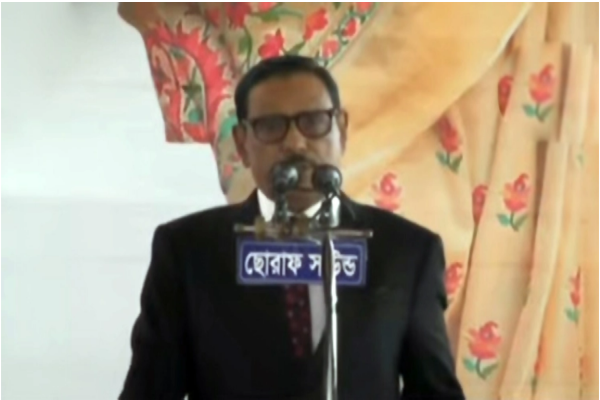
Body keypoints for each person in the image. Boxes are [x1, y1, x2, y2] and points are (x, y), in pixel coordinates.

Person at [119, 55, 466, 400]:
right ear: (242, 144)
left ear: (342, 130)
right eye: (271, 126)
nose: (296, 143)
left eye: (313, 122)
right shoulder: (188, 252)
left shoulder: (406, 252)